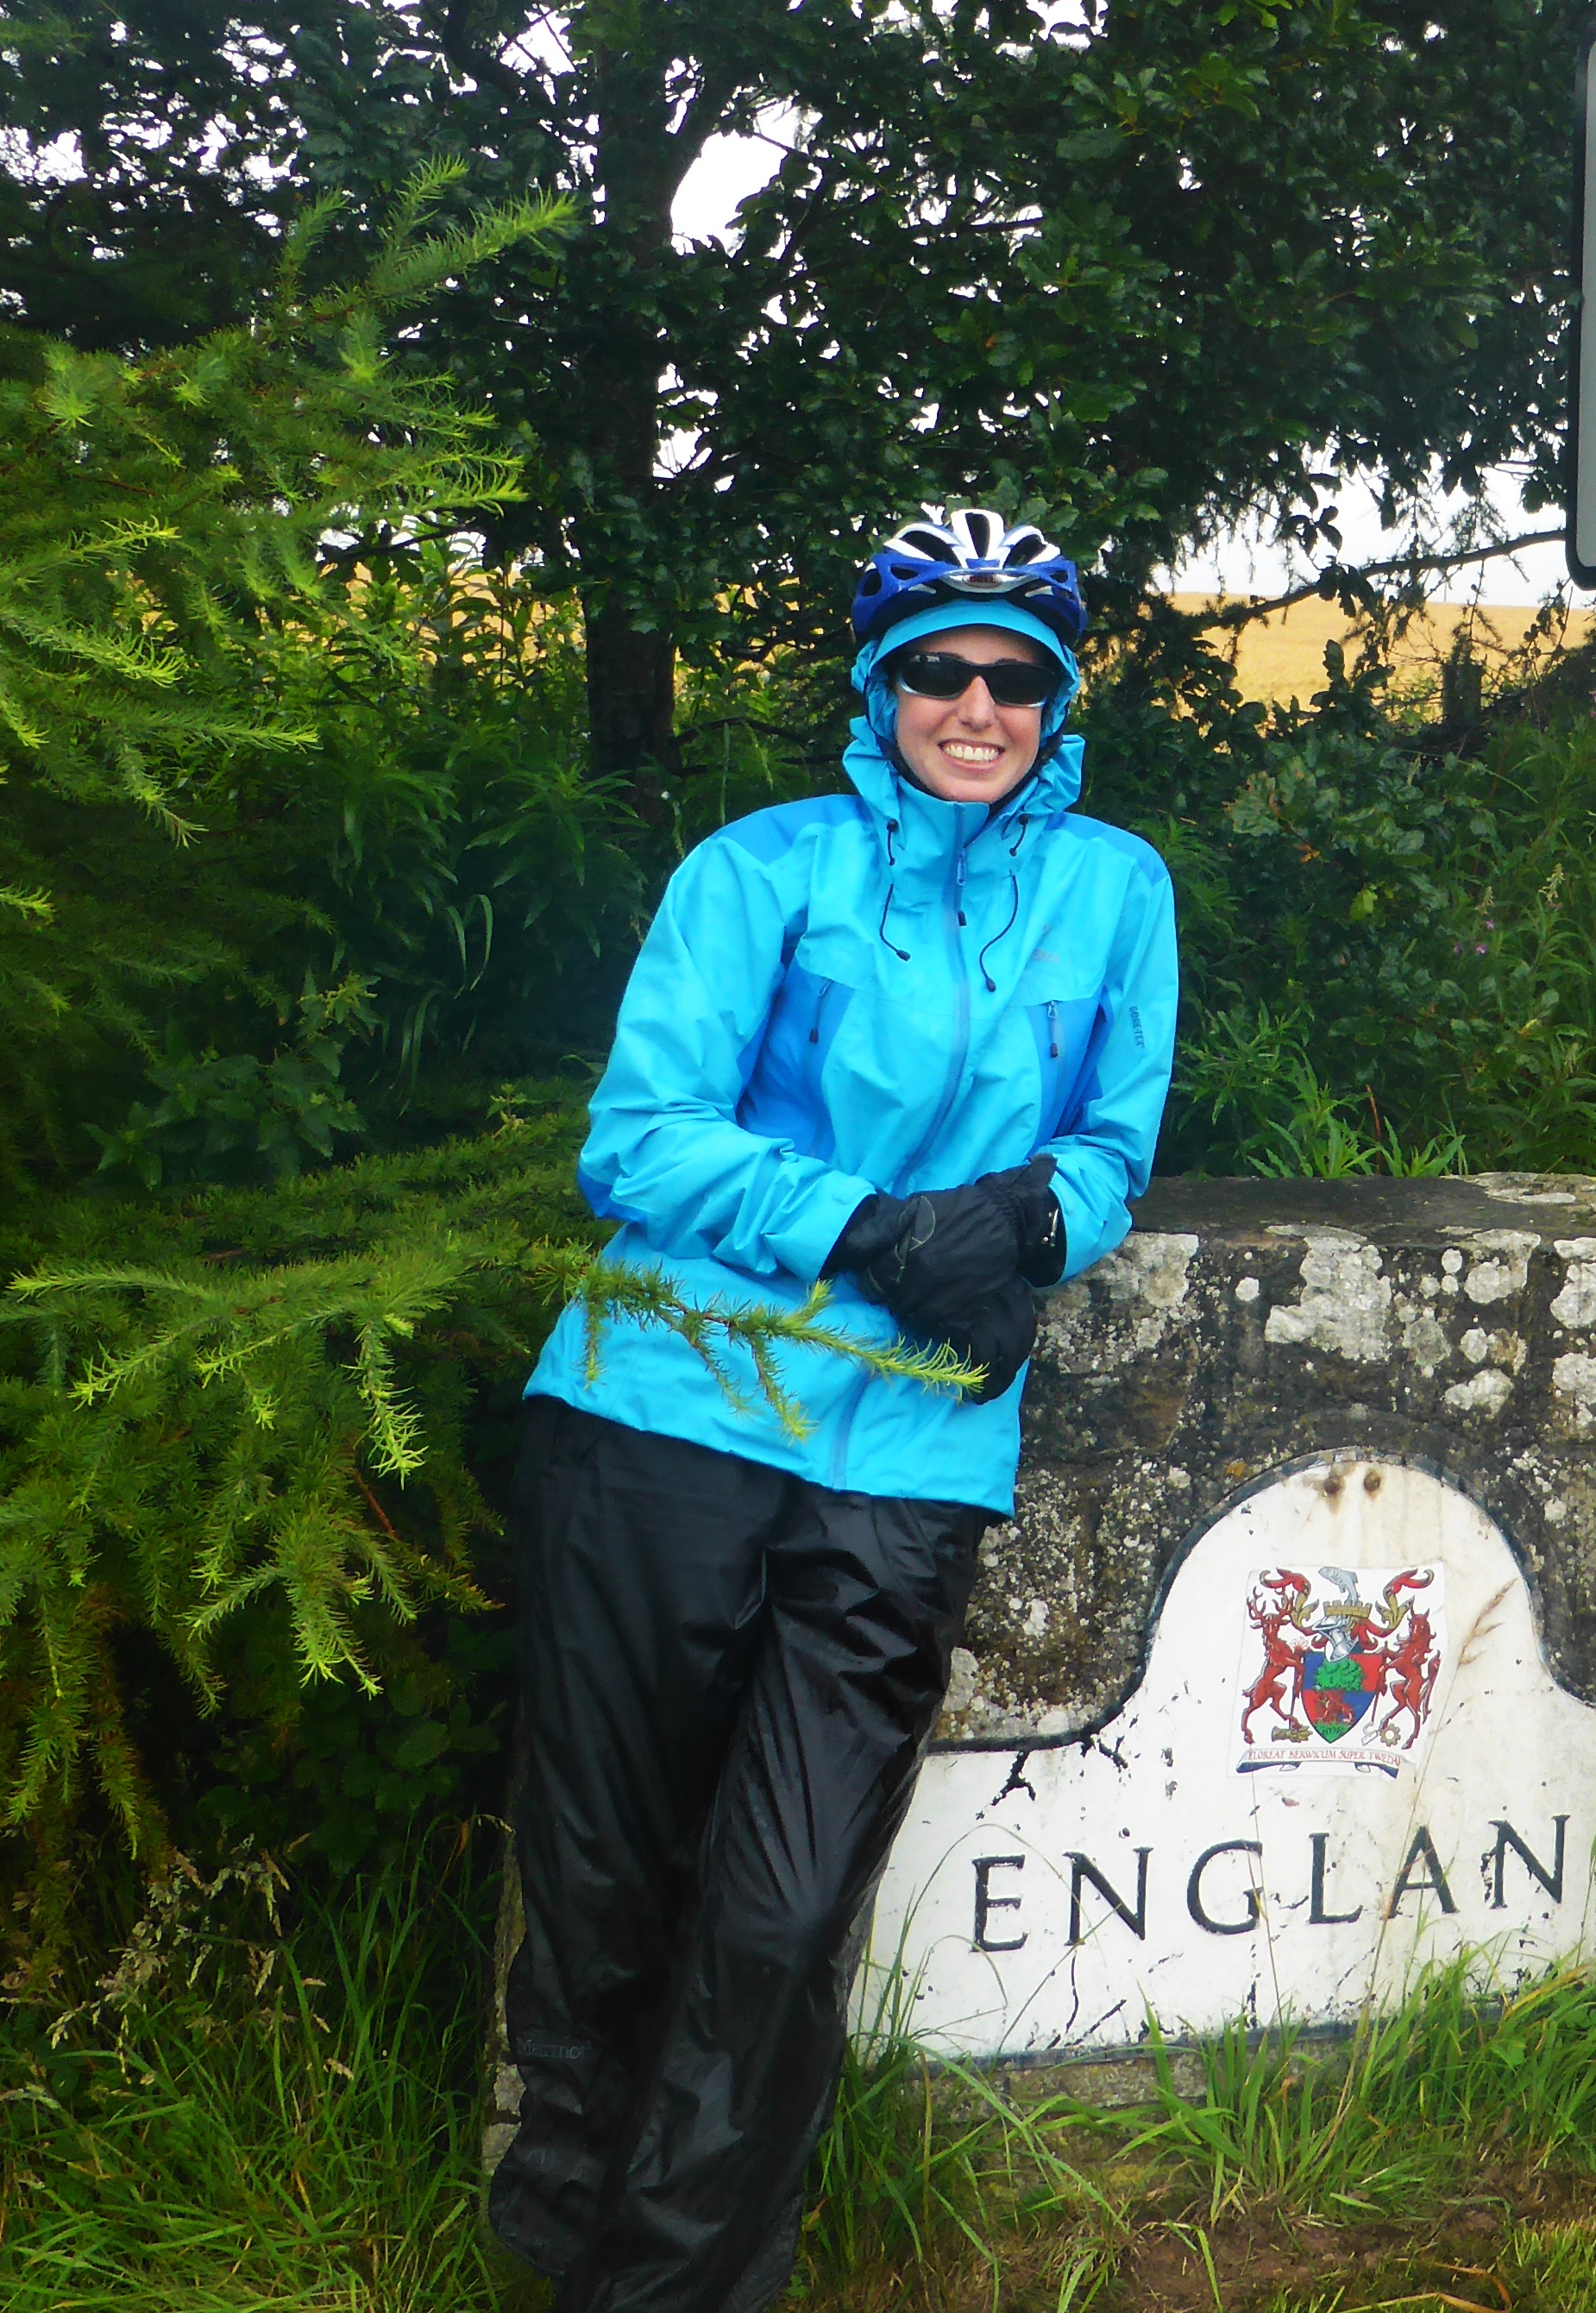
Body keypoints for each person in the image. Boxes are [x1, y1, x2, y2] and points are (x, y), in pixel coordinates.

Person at [488, 507, 1178, 2313]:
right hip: (665, 1414)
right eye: (938, 668)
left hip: (915, 1448)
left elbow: (1111, 1145)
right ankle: (570, 2253)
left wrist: (1023, 1221)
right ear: (878, 690)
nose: (977, 704)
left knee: (783, 1909)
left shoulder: (1116, 888)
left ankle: (679, 2289)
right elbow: (638, 1141)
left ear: (1058, 701)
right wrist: (871, 1229)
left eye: (1016, 675)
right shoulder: (757, 869)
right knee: (608, 1888)